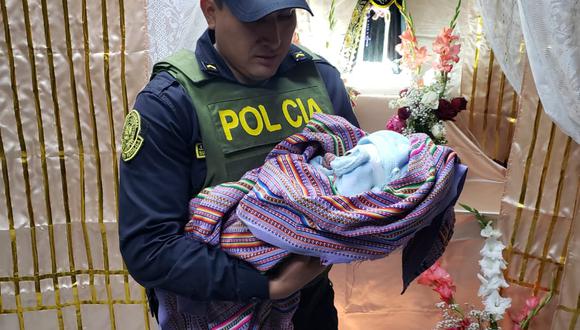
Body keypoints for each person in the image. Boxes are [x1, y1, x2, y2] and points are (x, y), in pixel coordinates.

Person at [118, 0, 359, 328]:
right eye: (255, 19)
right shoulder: (170, 104)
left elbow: (358, 188)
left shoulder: (321, 81)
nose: (274, 38)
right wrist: (271, 286)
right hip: (212, 312)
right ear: (211, 11)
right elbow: (150, 248)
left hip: (312, 305)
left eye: (285, 16)